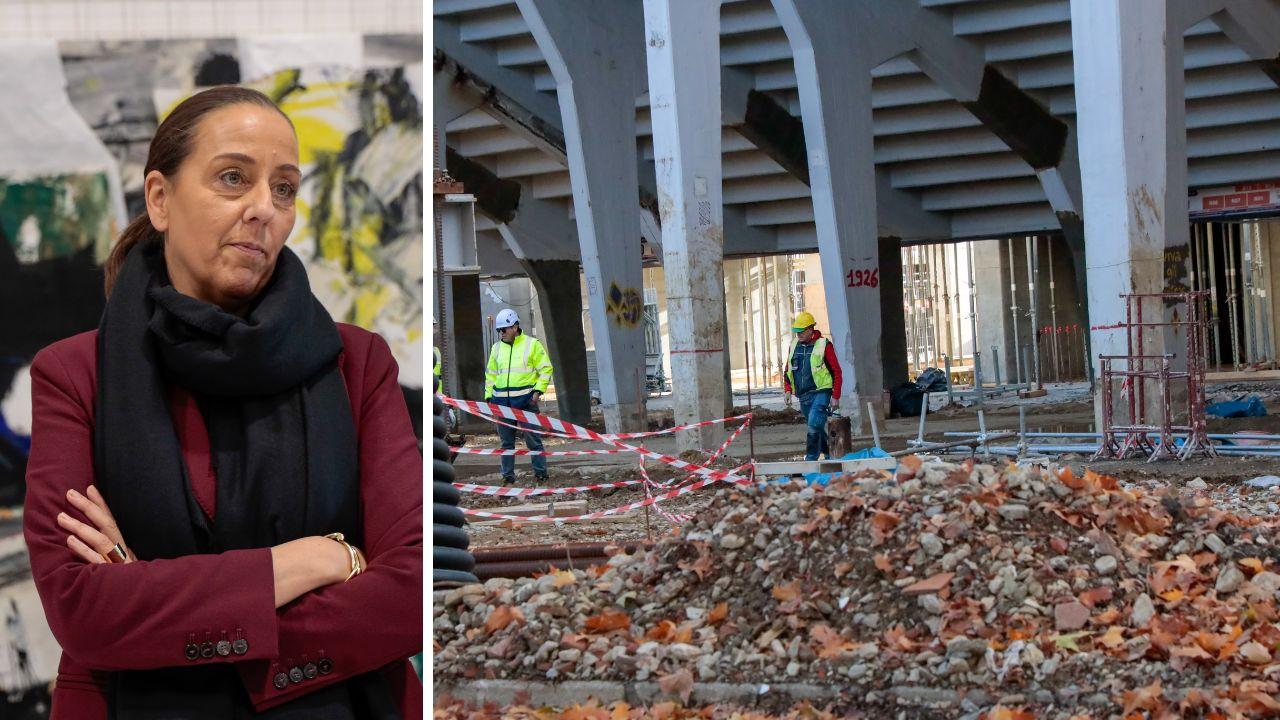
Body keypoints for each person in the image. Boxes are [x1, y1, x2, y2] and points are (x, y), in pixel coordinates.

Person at [22, 86, 422, 719]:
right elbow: (82, 609)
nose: (264, 208)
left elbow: (409, 592)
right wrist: (315, 560)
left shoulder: (358, 366)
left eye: (285, 188)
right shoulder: (75, 377)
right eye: (233, 178)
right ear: (160, 199)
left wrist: (151, 600)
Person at [484, 309, 554, 484]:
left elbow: (546, 369)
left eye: (504, 330)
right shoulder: (496, 348)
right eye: (499, 330)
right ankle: (508, 477)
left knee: (534, 442)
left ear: (515, 327)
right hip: (502, 404)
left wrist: (537, 392)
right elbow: (491, 374)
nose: (501, 333)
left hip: (526, 402)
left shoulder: (532, 344)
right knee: (506, 444)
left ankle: (541, 475)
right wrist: (489, 397)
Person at [782, 311, 844, 461]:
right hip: (803, 394)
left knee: (813, 424)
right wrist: (788, 390)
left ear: (811, 329)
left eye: (801, 331)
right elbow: (788, 369)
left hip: (821, 392)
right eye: (796, 332)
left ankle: (811, 458)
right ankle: (829, 452)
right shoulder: (794, 345)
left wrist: (835, 396)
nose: (798, 335)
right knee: (816, 426)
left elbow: (837, 371)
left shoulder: (824, 345)